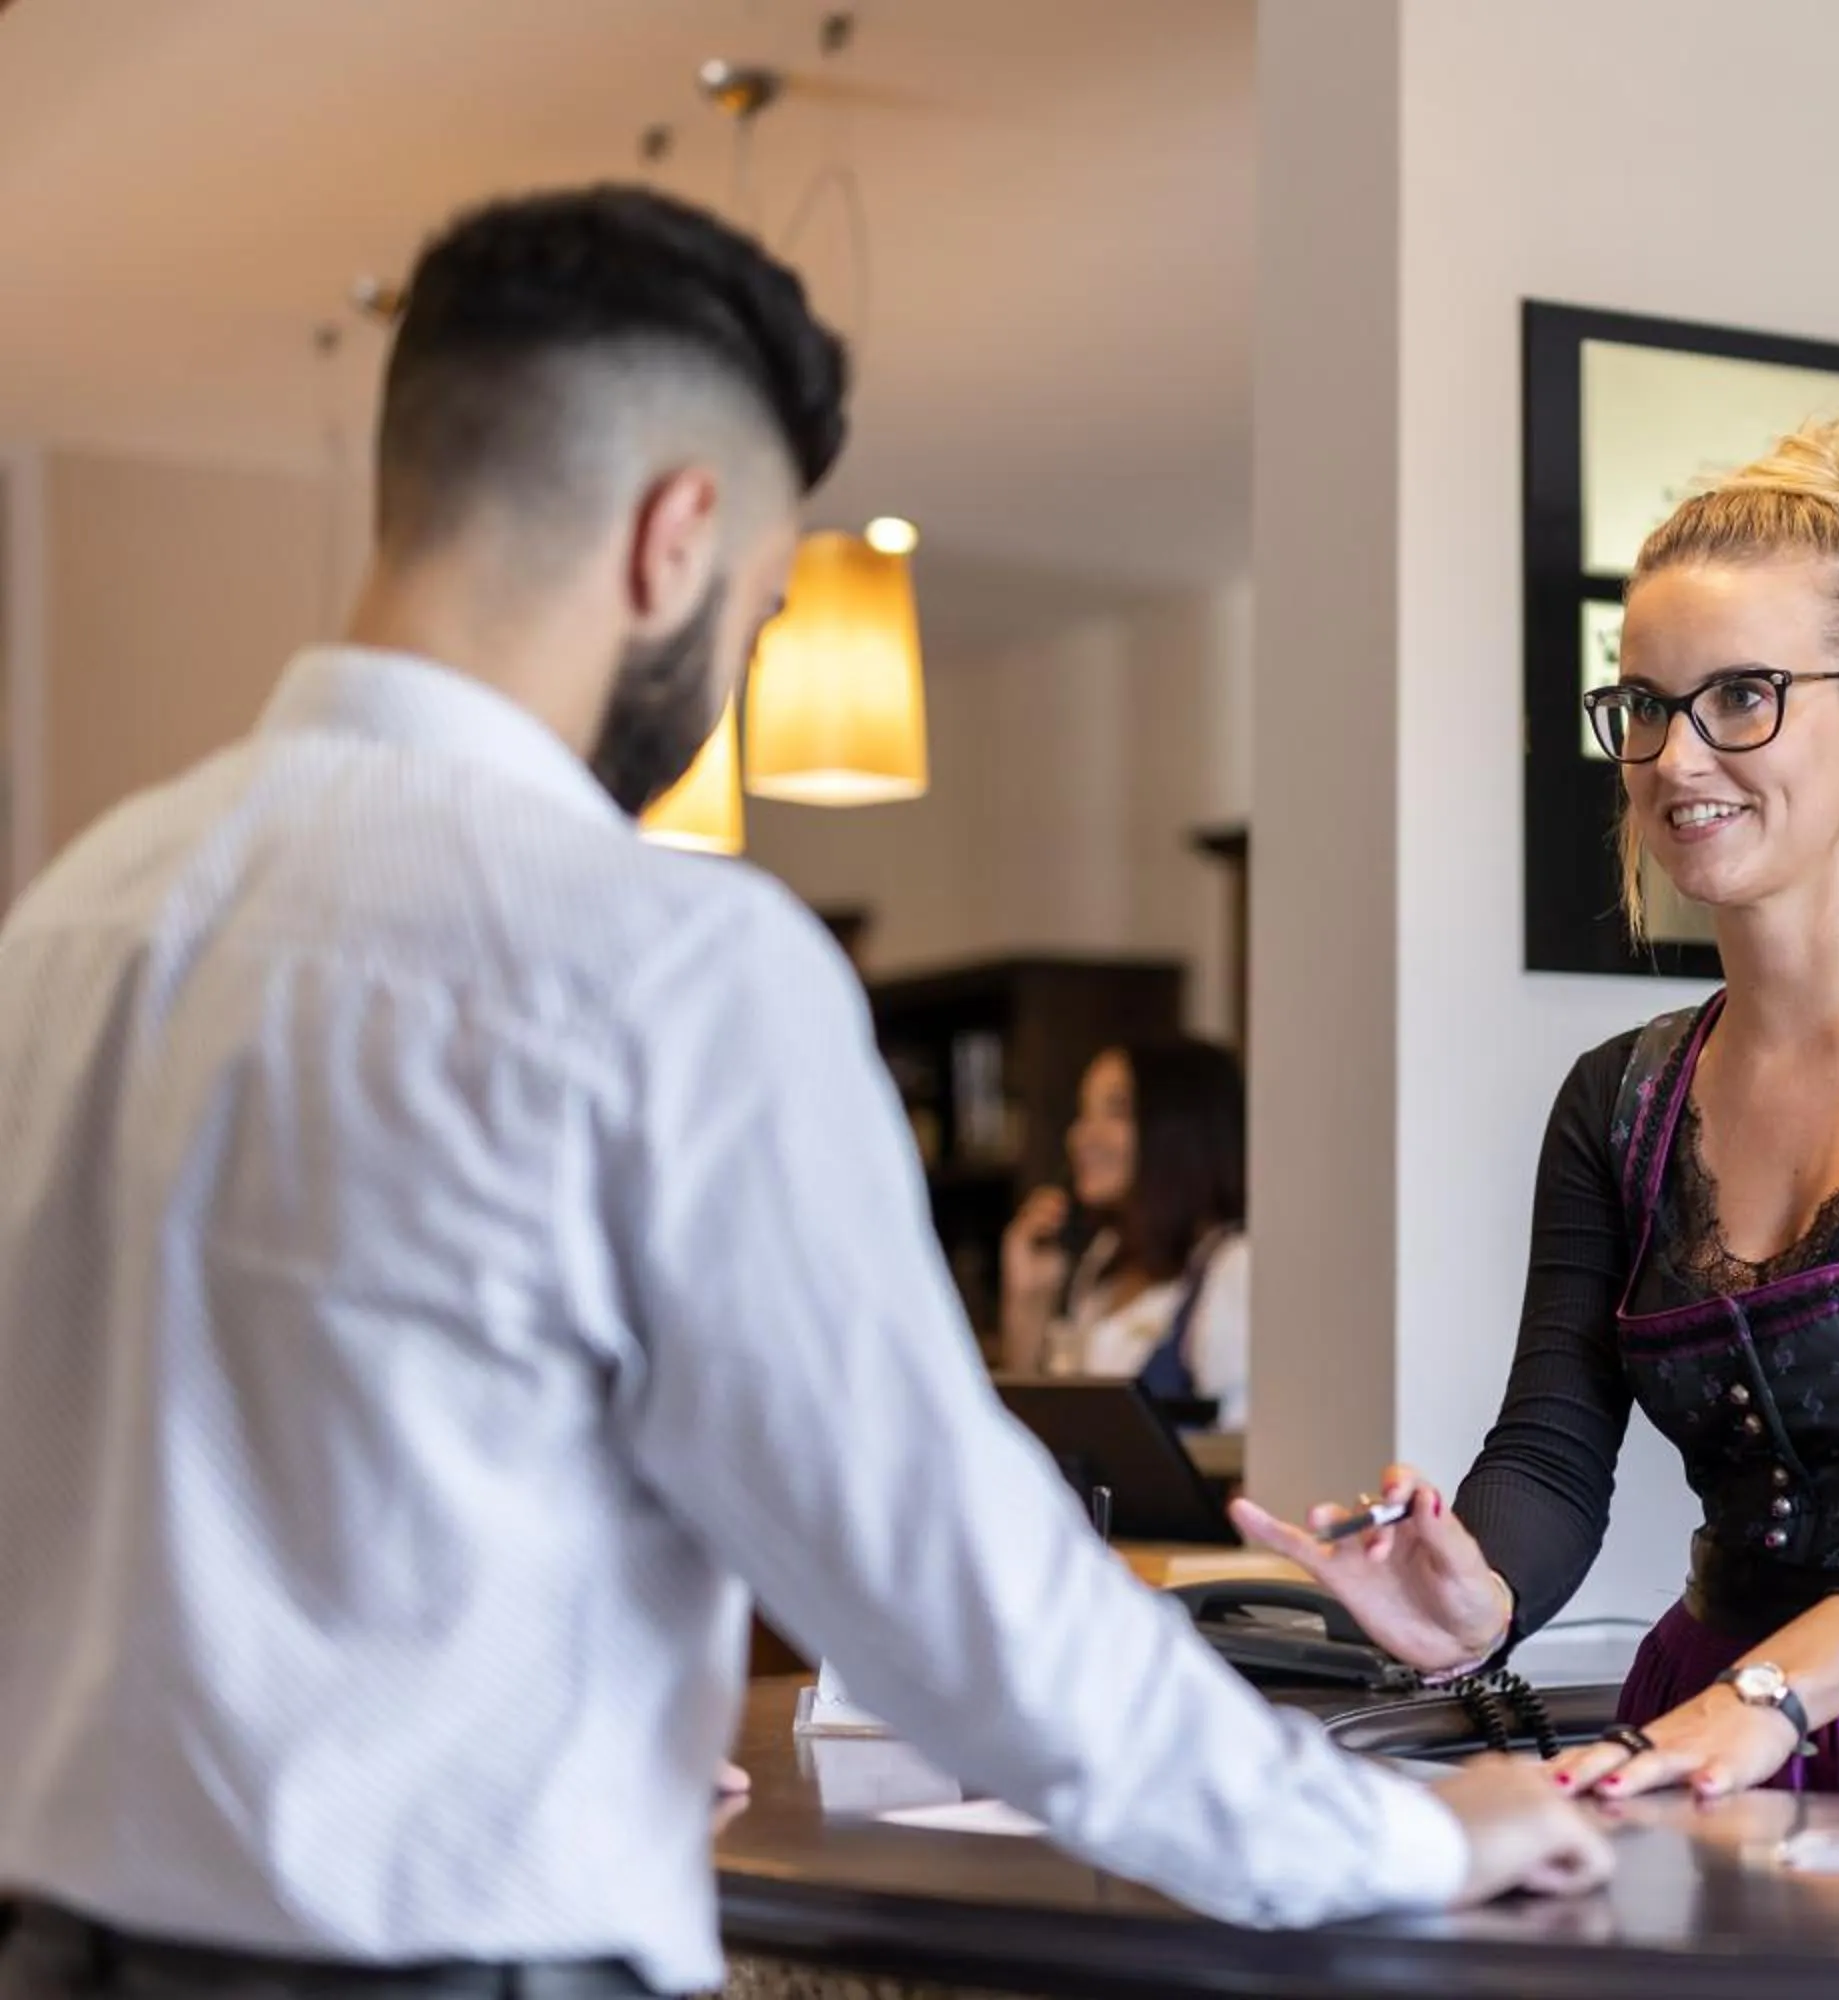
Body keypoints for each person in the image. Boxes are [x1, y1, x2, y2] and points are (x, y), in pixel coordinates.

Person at [0, 184, 1604, 2000]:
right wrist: (1400, 1836)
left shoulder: (69, 924)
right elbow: (957, 1596)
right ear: (677, 538)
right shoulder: (662, 961)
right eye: (764, 605)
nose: (736, 657)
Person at [1235, 420, 1839, 1807]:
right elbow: (1553, 1452)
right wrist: (1476, 1599)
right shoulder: (1616, 1099)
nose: (1677, 759)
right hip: (1707, 1742)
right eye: (1644, 705)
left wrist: (1777, 1693)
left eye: (1742, 697)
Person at [999, 1038, 1252, 1429]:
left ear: (1182, 1125)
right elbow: (1044, 1435)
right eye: (1082, 1113)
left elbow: (1236, 1444)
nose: (1081, 1135)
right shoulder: (1104, 1256)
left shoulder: (1231, 1267)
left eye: (1116, 1111)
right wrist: (1028, 1304)